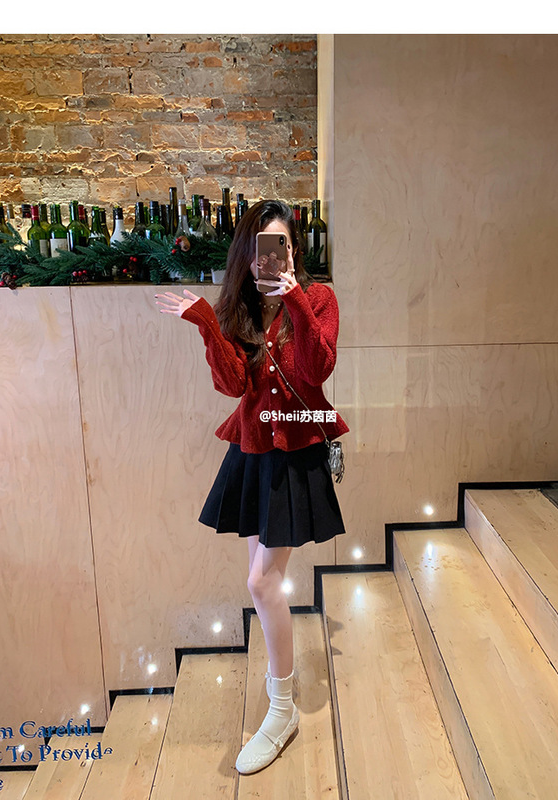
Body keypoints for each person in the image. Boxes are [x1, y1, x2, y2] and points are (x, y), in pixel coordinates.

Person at [154, 199, 349, 775]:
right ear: (247, 252)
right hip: (253, 448)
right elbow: (233, 384)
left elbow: (316, 369)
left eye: (282, 244)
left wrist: (294, 298)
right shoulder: (240, 307)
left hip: (294, 449)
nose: (273, 256)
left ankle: (282, 709)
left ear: (295, 248)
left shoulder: (317, 299)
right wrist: (207, 324)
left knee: (262, 582)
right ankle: (279, 687)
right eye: (263, 246)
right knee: (265, 583)